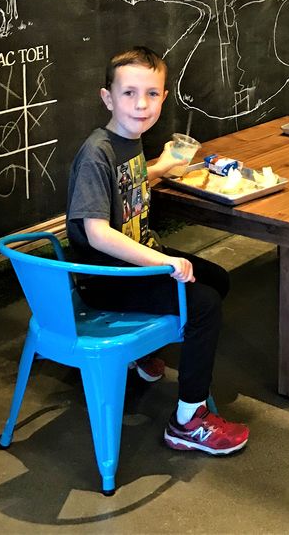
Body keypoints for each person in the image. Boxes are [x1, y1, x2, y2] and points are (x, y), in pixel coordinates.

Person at [66, 45, 249, 455]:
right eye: (129, 93)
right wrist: (165, 260)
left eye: (152, 93)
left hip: (132, 264)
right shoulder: (96, 153)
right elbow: (96, 233)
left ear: (164, 97)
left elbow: (126, 185)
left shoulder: (128, 140)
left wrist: (161, 168)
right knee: (203, 304)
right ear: (107, 98)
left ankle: (142, 355)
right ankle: (188, 419)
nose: (141, 103)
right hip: (107, 278)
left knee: (217, 279)